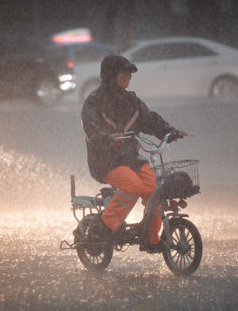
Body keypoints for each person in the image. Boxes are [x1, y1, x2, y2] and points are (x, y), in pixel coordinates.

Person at [81, 55, 188, 253]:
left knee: (153, 189)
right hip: (105, 161)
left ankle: (151, 238)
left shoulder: (131, 99)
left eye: (130, 73)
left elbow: (148, 119)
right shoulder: (94, 101)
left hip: (130, 158)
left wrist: (169, 131)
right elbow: (91, 129)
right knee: (133, 186)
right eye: (124, 72)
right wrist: (107, 138)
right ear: (111, 75)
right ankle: (104, 227)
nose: (129, 76)